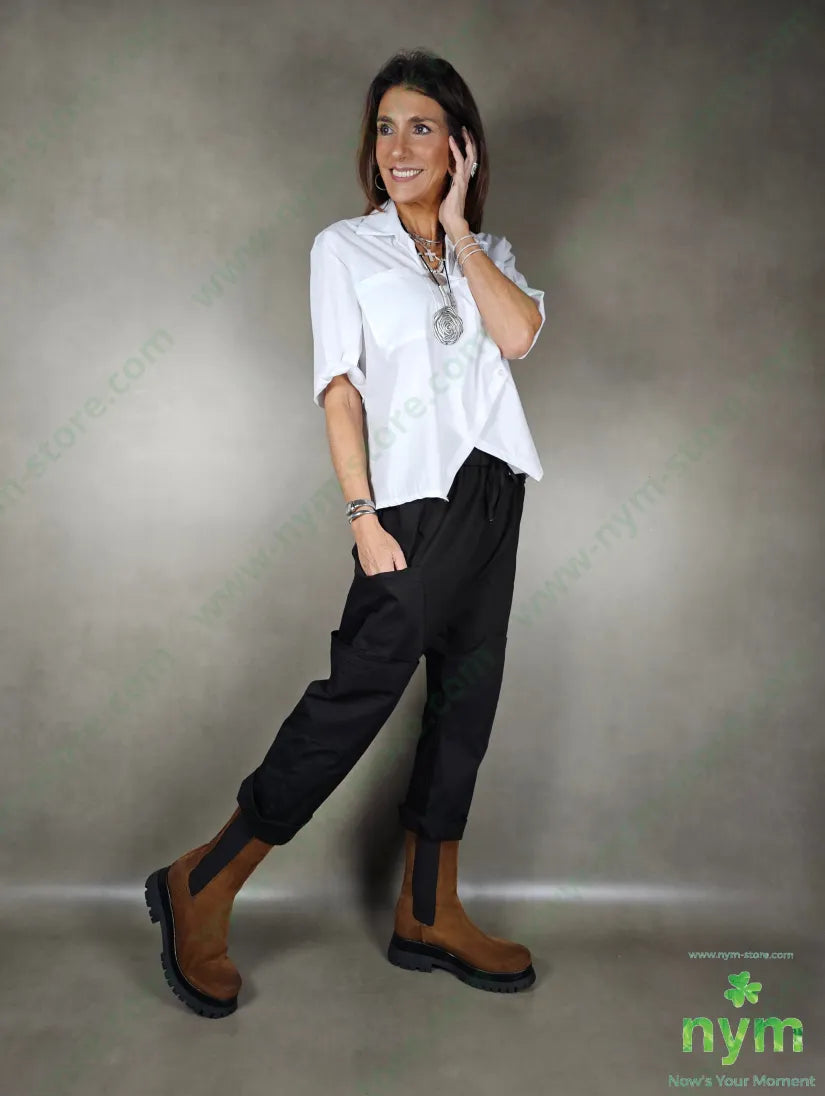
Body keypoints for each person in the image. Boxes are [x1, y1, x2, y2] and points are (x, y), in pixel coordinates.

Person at [145, 48, 546, 1018]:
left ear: (460, 147)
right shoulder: (345, 249)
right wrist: (362, 514)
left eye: (421, 128)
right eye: (385, 128)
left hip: (494, 490)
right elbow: (339, 388)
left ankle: (428, 911)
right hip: (407, 503)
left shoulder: (490, 254)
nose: (398, 147)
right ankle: (204, 880)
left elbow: (519, 336)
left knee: (467, 697)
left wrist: (460, 231)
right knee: (355, 698)